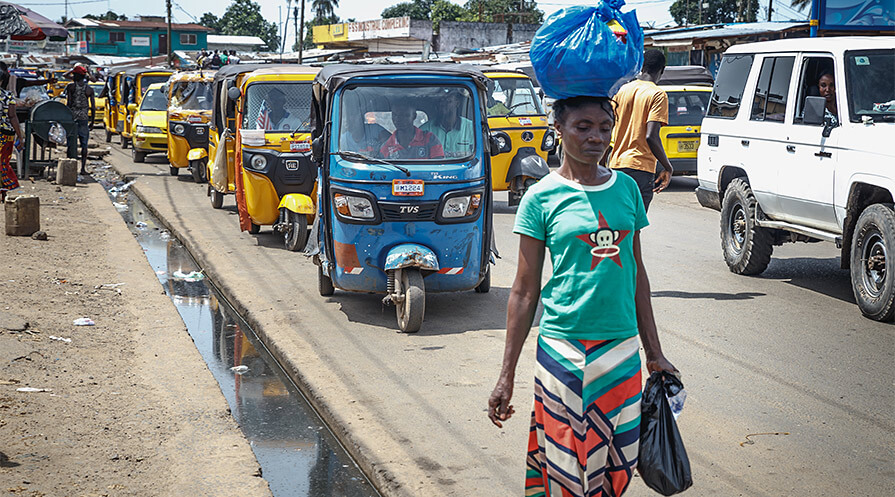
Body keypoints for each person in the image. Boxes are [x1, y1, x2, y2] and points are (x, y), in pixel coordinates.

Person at [488, 96, 677, 497]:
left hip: (621, 351)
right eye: (583, 126)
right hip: (562, 350)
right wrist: (506, 375)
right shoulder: (541, 197)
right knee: (566, 467)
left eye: (605, 128)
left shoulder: (626, 188)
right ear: (558, 128)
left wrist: (653, 351)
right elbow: (523, 291)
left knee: (616, 466)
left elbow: (636, 274)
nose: (597, 137)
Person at [608, 49, 674, 212]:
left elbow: (608, 129)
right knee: (635, 225)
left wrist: (602, 165)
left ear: (642, 67)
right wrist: (667, 166)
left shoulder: (622, 90)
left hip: (616, 165)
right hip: (640, 169)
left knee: (618, 223)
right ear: (661, 71)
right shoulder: (657, 94)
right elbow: (651, 136)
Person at [379, 102, 444, 159]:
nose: (398, 119)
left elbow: (438, 167)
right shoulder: (386, 147)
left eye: (405, 115)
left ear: (414, 116)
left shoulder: (430, 139)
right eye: (395, 115)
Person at [420, 90, 474, 158]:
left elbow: (477, 157)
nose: (443, 104)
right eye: (440, 101)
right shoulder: (424, 130)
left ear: (457, 103)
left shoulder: (471, 128)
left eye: (448, 100)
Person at [64, 65, 95, 175]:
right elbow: (93, 107)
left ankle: (69, 167)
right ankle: (82, 169)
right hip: (84, 118)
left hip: (72, 117)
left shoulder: (70, 87)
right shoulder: (89, 89)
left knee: (70, 143)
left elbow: (68, 103)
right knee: (84, 145)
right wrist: (92, 122)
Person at [0, 69, 25, 203]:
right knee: (3, 162)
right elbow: (12, 116)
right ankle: (4, 191)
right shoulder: (8, 96)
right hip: (6, 134)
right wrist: (20, 136)